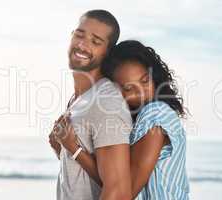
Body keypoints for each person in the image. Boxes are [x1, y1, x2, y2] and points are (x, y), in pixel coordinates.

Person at [58, 40, 190, 199]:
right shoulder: (138, 120)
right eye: (128, 88)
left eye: (144, 80)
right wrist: (63, 148)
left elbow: (125, 191)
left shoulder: (155, 114)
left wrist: (75, 150)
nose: (141, 93)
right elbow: (112, 175)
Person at [49, 10, 133, 200]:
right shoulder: (79, 99)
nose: (82, 44)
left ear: (107, 52)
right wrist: (61, 150)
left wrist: (74, 149)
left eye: (95, 41)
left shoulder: (106, 102)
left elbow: (118, 191)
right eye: (79, 35)